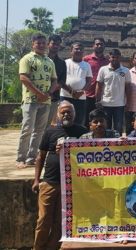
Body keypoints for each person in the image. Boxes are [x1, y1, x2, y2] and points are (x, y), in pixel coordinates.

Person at [32, 101, 87, 250]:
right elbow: (41, 156)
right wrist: (37, 180)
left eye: (69, 112)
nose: (66, 114)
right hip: (49, 182)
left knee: (59, 223)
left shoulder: (82, 131)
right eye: (63, 112)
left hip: (69, 186)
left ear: (74, 114)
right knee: (43, 220)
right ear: (58, 115)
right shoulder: (50, 132)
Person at [17, 33, 58, 169]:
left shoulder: (49, 61)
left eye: (43, 43)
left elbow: (54, 80)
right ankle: (21, 158)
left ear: (46, 45)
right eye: (38, 43)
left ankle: (32, 157)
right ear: (33, 44)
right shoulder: (27, 59)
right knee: (27, 128)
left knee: (39, 131)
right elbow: (23, 77)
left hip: (46, 101)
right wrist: (39, 93)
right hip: (30, 99)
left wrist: (49, 93)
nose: (40, 45)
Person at [95, 49, 131, 133]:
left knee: (118, 127)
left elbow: (128, 87)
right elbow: (98, 85)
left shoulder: (125, 71)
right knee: (105, 127)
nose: (115, 59)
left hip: (119, 104)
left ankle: (117, 145)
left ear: (120, 58)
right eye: (113, 57)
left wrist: (128, 102)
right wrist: (97, 100)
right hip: (105, 103)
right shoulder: (103, 69)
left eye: (117, 57)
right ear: (109, 58)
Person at [60, 42, 92, 126]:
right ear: (71, 51)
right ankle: (62, 138)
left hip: (81, 97)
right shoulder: (64, 63)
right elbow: (60, 80)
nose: (79, 51)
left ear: (83, 52)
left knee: (79, 120)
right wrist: (70, 91)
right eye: (76, 49)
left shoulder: (86, 65)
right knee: (63, 118)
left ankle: (76, 138)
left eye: (81, 49)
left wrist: (82, 91)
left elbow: (89, 81)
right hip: (65, 96)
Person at [82, 37, 110, 127]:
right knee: (86, 120)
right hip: (88, 94)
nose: (99, 46)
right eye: (97, 44)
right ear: (93, 46)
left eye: (101, 44)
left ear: (104, 46)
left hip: (103, 96)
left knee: (102, 120)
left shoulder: (108, 61)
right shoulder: (86, 59)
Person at [45, 35, 66, 128]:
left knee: (47, 124)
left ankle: (44, 142)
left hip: (54, 97)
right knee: (36, 124)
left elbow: (62, 81)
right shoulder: (41, 59)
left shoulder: (62, 63)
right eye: (53, 44)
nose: (55, 46)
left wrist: (51, 92)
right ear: (48, 44)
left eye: (58, 44)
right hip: (39, 96)